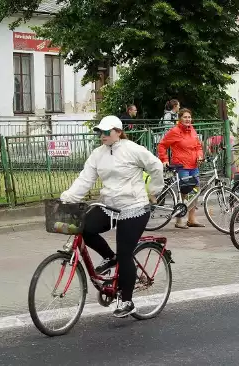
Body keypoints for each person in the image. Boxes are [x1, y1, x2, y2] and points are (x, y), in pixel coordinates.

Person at [60, 116, 164, 317]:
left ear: (118, 131)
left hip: (133, 207)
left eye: (107, 132)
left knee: (125, 253)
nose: (102, 136)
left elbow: (156, 165)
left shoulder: (132, 149)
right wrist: (67, 198)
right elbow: (85, 179)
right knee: (85, 228)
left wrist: (154, 189)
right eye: (100, 132)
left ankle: (127, 301)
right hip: (109, 205)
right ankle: (109, 257)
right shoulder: (98, 154)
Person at [157, 108, 205, 229]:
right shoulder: (175, 131)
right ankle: (179, 220)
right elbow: (162, 145)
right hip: (182, 166)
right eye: (185, 117)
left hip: (194, 166)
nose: (188, 119)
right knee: (184, 192)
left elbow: (198, 146)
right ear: (180, 118)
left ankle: (191, 218)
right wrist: (164, 160)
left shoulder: (192, 130)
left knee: (196, 191)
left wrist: (200, 156)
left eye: (189, 117)